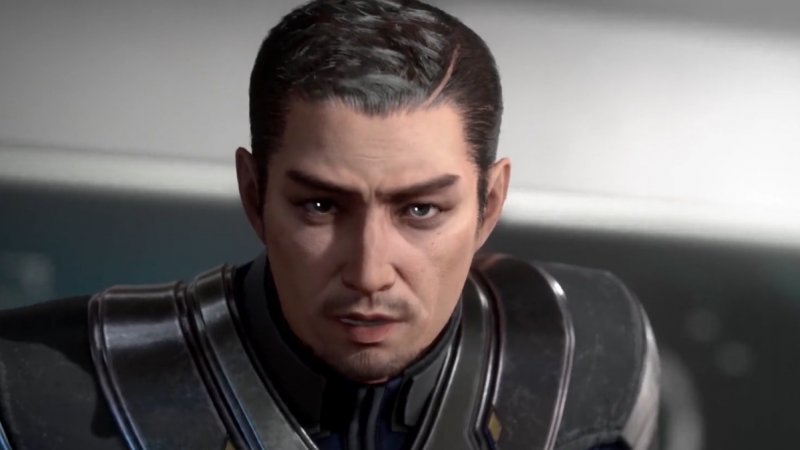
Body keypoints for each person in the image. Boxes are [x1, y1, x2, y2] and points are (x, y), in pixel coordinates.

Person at [0, 1, 659, 449]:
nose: (370, 273)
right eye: (321, 207)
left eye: (420, 210)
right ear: (254, 195)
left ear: (490, 204)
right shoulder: (46, 388)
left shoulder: (588, 353)